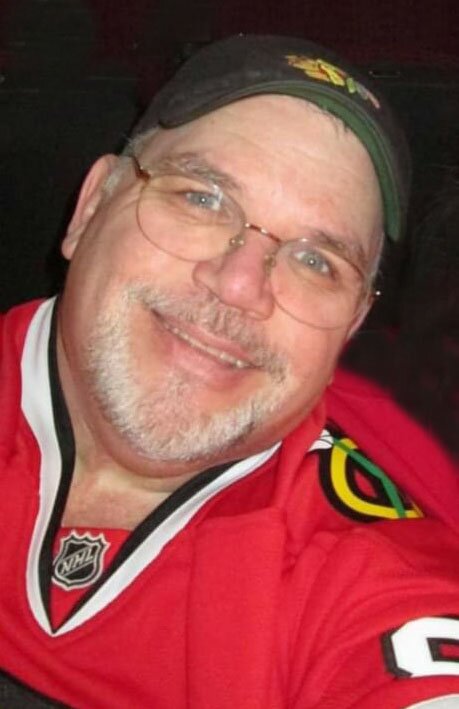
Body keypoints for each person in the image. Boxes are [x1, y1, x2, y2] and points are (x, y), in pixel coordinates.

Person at [0, 34, 458, 709]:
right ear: (91, 206)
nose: (241, 284)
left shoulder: (368, 568)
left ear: (352, 325)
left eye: (316, 262)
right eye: (202, 199)